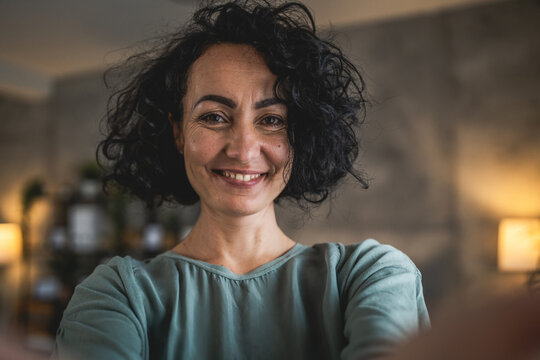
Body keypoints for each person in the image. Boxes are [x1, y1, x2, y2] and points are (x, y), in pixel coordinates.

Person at [52, 1, 430, 359]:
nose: (244, 150)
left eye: (272, 120)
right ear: (178, 132)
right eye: (214, 116)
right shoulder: (116, 294)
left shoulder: (372, 276)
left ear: (303, 135)